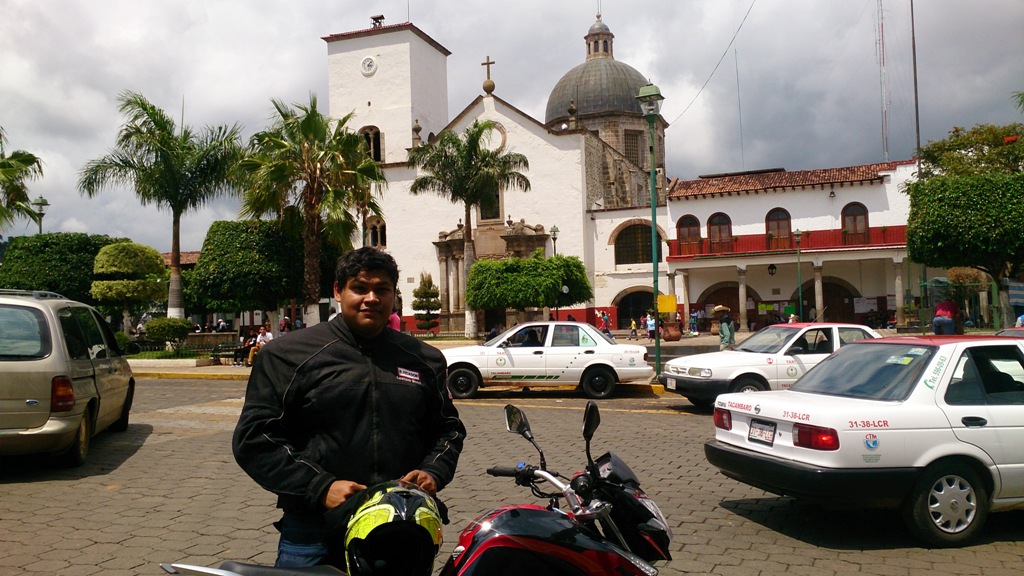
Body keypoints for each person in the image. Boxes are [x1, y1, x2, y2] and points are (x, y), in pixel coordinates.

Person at [232, 246, 466, 569]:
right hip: (313, 530)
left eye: (381, 289)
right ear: (338, 292)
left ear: (394, 296)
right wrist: (319, 486)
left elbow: (448, 430)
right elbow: (254, 439)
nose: (371, 297)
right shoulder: (288, 355)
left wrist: (432, 472)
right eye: (360, 287)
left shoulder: (424, 360)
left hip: (401, 525)